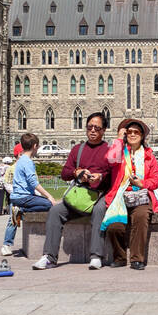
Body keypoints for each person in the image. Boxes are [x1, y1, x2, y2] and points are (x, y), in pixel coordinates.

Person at [33, 113, 114, 270]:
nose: (92, 131)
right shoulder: (78, 149)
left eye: (96, 128)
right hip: (80, 196)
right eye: (89, 127)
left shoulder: (108, 151)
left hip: (100, 195)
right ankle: (49, 257)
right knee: (56, 211)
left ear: (103, 130)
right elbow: (65, 173)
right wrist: (76, 172)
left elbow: (113, 175)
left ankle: (96, 255)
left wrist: (100, 177)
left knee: (99, 210)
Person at [102, 118, 158, 269]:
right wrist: (118, 139)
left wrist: (142, 183)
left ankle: (137, 259)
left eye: (136, 132)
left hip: (141, 196)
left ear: (142, 136)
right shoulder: (119, 153)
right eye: (129, 132)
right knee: (114, 226)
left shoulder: (149, 156)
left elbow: (155, 180)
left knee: (141, 217)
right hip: (120, 196)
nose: (132, 134)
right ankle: (120, 257)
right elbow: (109, 160)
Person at [1, 132, 56, 257]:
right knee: (49, 204)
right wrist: (49, 196)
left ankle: (21, 209)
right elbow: (33, 183)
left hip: (18, 196)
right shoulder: (27, 162)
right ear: (35, 146)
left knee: (42, 201)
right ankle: (21, 210)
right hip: (23, 198)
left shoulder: (20, 161)